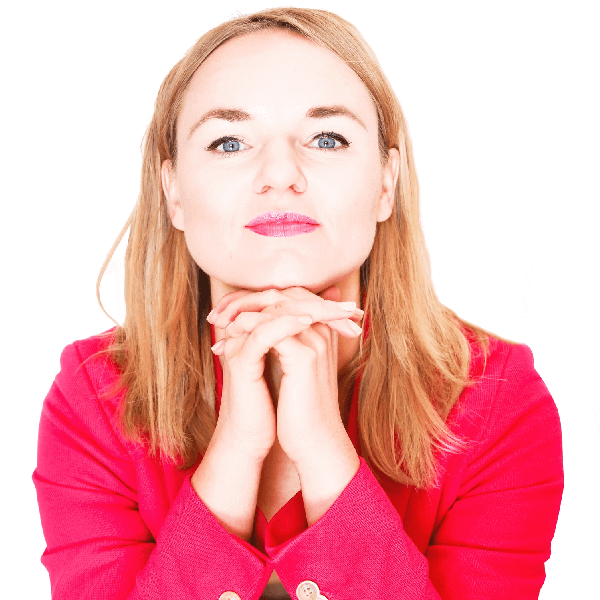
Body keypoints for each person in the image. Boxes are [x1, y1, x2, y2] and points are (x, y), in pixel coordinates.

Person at [32, 7, 564, 600]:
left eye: (327, 138)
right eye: (229, 142)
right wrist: (235, 452)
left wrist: (323, 450)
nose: (281, 174)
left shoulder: (496, 401)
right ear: (174, 192)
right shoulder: (93, 399)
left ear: (385, 183)